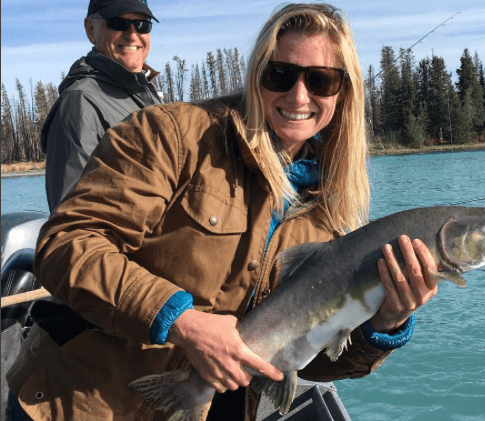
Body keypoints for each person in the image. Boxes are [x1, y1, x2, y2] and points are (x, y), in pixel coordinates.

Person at [6, 4, 438, 421]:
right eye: (280, 74)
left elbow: (303, 361)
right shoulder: (171, 134)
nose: (298, 94)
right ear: (257, 76)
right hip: (87, 403)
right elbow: (66, 245)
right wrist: (179, 321)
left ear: (343, 92)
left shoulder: (331, 211)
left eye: (322, 80)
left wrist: (383, 324)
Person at [42, 0, 162, 212]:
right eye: (118, 23)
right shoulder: (79, 103)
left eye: (143, 25)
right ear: (91, 29)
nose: (133, 35)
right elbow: (73, 223)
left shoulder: (147, 97)